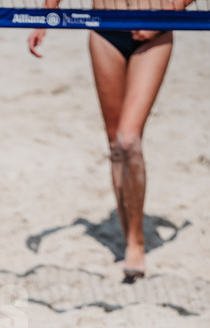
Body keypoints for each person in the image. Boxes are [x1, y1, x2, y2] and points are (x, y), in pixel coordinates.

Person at [28, 0, 192, 283]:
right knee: (116, 145)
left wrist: (168, 12)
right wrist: (46, 15)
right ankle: (129, 235)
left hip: (154, 30)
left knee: (129, 139)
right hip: (104, 28)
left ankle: (136, 241)